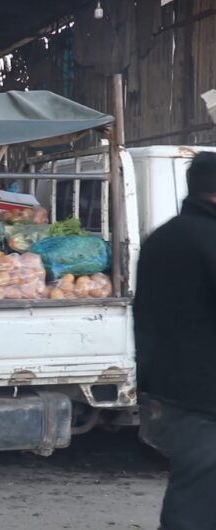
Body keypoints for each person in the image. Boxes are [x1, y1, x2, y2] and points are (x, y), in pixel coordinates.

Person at [135, 151, 216, 530]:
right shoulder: (208, 239)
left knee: (195, 491)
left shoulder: (161, 238)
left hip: (170, 389)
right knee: (197, 498)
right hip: (207, 397)